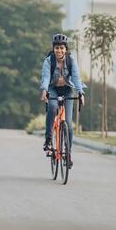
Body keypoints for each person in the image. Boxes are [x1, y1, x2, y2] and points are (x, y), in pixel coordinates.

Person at [40, 33, 84, 168]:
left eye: (62, 48)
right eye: (57, 48)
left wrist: (81, 92)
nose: (59, 50)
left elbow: (76, 77)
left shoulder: (71, 61)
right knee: (52, 108)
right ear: (53, 49)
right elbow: (46, 78)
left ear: (66, 49)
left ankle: (68, 154)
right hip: (52, 89)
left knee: (69, 124)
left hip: (68, 89)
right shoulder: (49, 61)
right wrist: (44, 91)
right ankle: (48, 139)